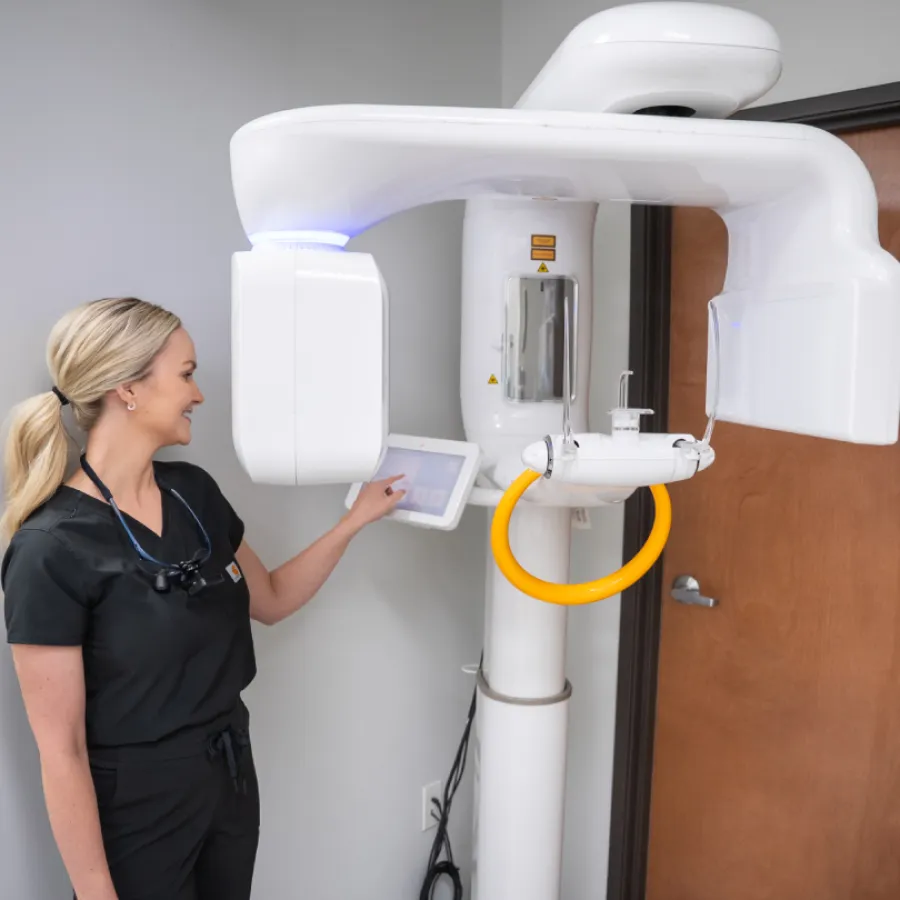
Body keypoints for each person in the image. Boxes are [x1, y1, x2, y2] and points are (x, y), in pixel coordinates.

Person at [0, 297, 404, 900]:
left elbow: (269, 598)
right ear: (127, 388)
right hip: (137, 808)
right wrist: (94, 893)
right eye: (186, 374)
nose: (199, 394)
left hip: (230, 777)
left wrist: (353, 521)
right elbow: (62, 751)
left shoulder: (193, 492)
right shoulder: (49, 548)